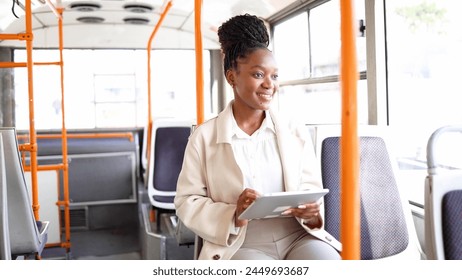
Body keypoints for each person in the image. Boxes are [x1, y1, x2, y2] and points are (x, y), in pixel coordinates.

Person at [174, 14, 341, 260]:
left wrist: (313, 213)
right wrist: (234, 213)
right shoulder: (204, 137)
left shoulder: (294, 130)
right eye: (258, 75)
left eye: (274, 76)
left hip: (297, 236)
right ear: (232, 77)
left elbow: (311, 190)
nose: (269, 85)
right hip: (241, 241)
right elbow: (187, 201)